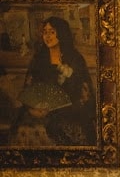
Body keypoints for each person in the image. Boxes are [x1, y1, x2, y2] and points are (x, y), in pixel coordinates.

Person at [9, 16, 96, 147]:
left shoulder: (75, 58)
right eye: (45, 32)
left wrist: (70, 76)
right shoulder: (39, 58)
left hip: (70, 107)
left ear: (61, 33)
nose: (47, 36)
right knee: (22, 125)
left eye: (52, 32)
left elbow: (84, 91)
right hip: (40, 109)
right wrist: (34, 107)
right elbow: (29, 88)